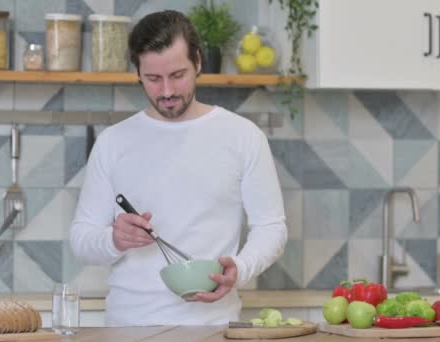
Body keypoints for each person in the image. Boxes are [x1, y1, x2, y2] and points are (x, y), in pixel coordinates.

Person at [70, 10, 287, 326]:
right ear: (138, 73)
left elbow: (271, 227)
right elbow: (81, 239)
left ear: (198, 62)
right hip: (128, 327)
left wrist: (240, 268)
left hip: (213, 327)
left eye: (178, 75)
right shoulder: (112, 143)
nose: (167, 91)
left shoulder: (243, 137)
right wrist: (113, 240)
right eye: (154, 79)